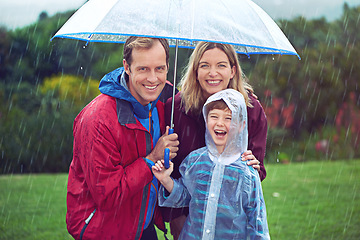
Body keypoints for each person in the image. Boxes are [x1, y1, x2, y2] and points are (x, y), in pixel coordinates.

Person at [66, 36, 179, 240]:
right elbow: (108, 195)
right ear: (126, 67)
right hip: (104, 230)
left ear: (167, 67)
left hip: (142, 226)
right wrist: (153, 158)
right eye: (143, 69)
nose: (153, 79)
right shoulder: (97, 120)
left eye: (159, 69)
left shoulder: (164, 101)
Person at [163, 41, 268, 239]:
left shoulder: (250, 110)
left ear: (233, 70)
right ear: (195, 71)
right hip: (189, 219)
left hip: (231, 222)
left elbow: (255, 173)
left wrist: (253, 167)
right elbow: (175, 171)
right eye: (204, 65)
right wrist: (176, 219)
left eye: (221, 65)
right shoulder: (176, 108)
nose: (213, 73)